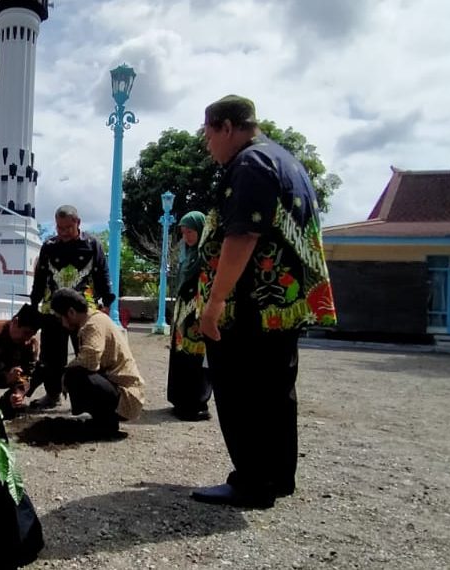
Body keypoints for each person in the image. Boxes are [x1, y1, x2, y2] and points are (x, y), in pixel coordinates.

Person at [191, 95, 337, 509]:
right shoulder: (288, 162)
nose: (207, 146)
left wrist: (214, 302)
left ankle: (252, 482)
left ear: (226, 127)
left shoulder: (251, 163)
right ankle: (277, 477)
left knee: (241, 390)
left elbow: (242, 235)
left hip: (251, 304)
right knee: (276, 390)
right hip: (283, 303)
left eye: (208, 135)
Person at [28, 205, 114, 410]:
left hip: (83, 310)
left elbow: (102, 274)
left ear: (78, 223)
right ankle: (52, 394)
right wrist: (34, 303)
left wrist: (107, 303)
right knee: (50, 355)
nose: (63, 232)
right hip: (52, 310)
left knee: (86, 354)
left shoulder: (93, 244)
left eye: (67, 227)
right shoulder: (48, 246)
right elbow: (40, 278)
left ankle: (86, 398)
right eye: (59, 227)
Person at [49, 288, 145, 438]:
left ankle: (107, 425)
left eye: (61, 317)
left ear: (71, 313)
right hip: (121, 392)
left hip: (127, 399)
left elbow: (90, 361)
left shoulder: (92, 325)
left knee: (75, 374)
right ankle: (102, 420)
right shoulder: (95, 319)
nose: (62, 323)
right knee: (76, 372)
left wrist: (65, 375)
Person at [166, 211, 213, 421]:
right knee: (181, 357)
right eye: (184, 232)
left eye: (191, 231)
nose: (187, 236)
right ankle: (180, 399)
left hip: (199, 314)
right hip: (182, 314)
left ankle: (197, 403)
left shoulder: (208, 254)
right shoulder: (187, 254)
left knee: (196, 358)